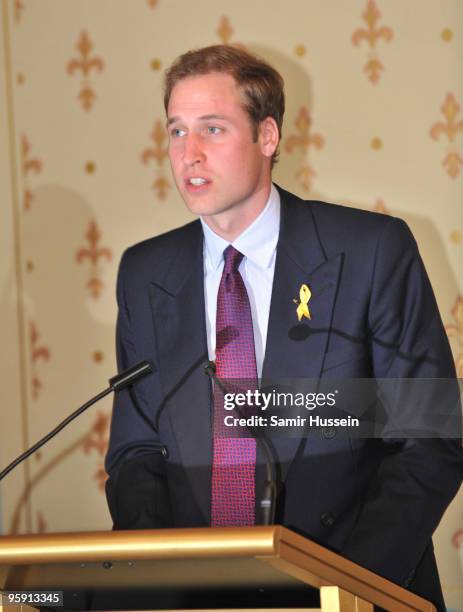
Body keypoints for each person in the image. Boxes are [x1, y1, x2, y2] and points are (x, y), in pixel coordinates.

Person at [105, 45, 462, 609]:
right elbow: (136, 454)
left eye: (213, 130)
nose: (188, 154)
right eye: (176, 132)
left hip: (351, 588)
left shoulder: (369, 252)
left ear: (267, 136)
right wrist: (161, 582)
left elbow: (428, 439)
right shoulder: (145, 272)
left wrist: (346, 587)